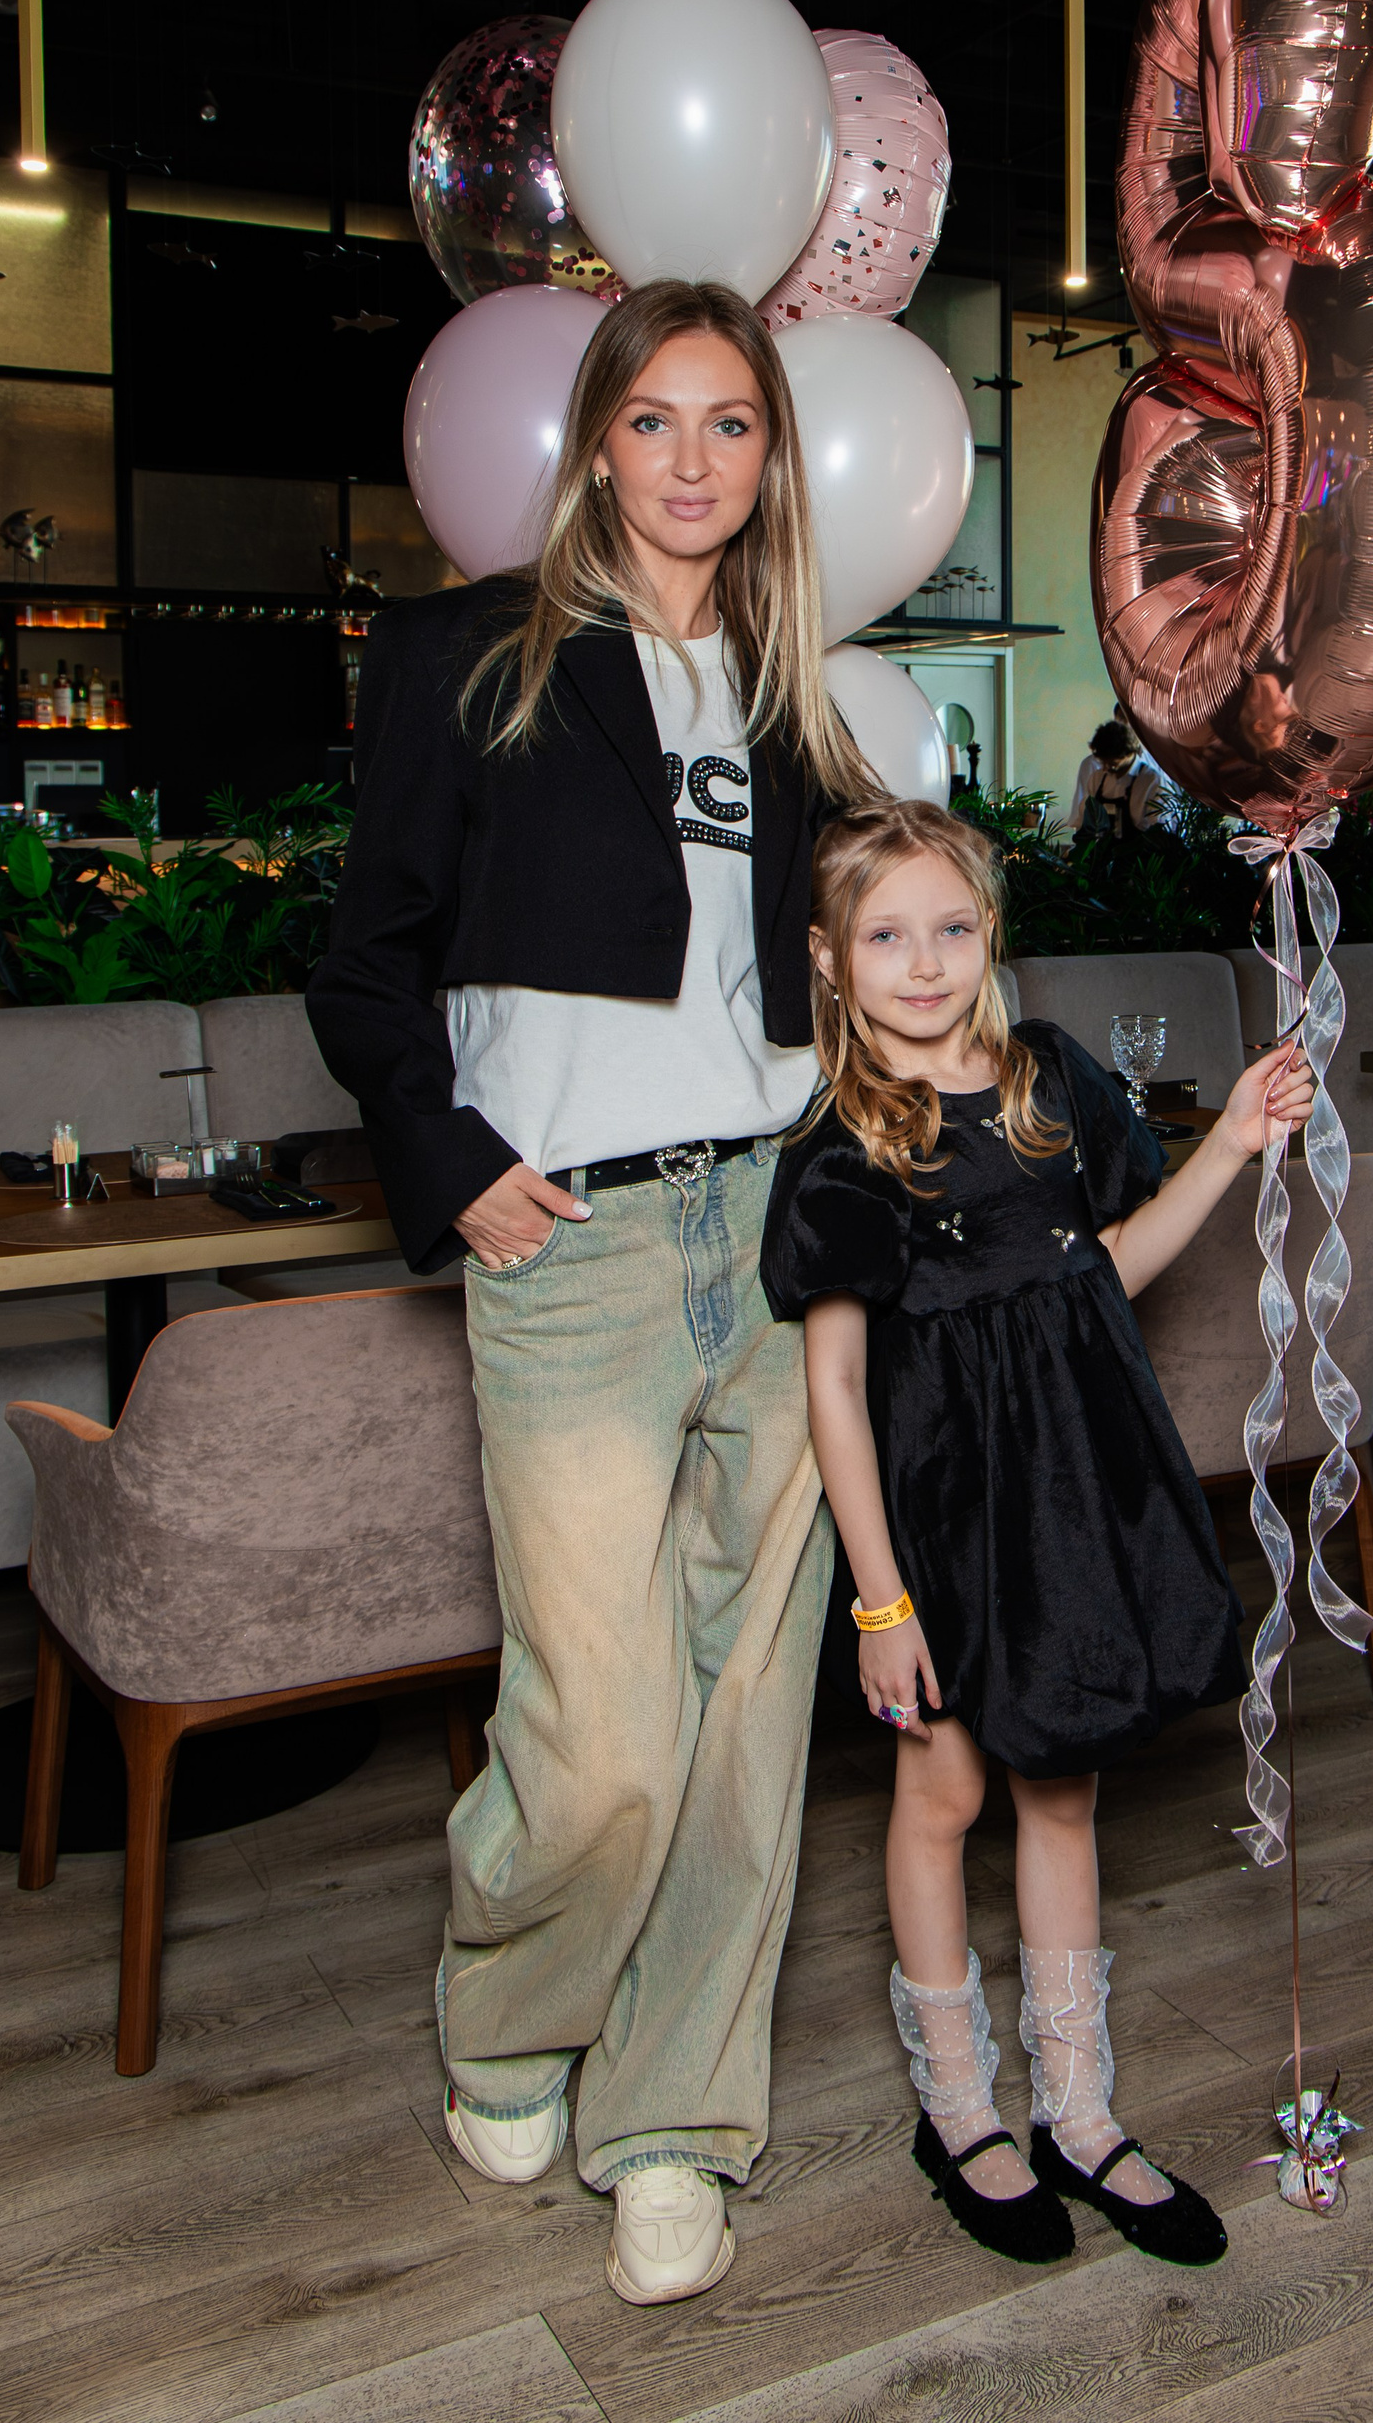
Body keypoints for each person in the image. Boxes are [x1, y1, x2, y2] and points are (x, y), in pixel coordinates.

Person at [307, 279, 870, 2310]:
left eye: (732, 424)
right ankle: (508, 2016)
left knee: (746, 1723)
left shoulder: (796, 690)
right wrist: (453, 1163)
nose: (692, 462)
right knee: (607, 1733)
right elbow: (364, 969)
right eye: (655, 421)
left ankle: (673, 2125)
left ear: (771, 456)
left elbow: (839, 975)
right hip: (572, 1249)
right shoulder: (473, 657)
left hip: (779, 1231)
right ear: (597, 444)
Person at [758, 800, 1314, 2267]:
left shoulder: (1051, 1079)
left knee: (1062, 1793)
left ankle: (1079, 2110)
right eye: (887, 935)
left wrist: (1233, 1142)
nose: (925, 962)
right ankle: (961, 2113)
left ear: (989, 933)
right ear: (830, 959)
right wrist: (880, 1603)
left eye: (952, 927)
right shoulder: (840, 1144)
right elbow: (833, 1388)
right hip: (940, 1517)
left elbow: (1105, 1270)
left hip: (1071, 1491)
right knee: (942, 1793)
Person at [1067, 717, 1166, 844]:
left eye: (1112, 764)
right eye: (1103, 762)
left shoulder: (1151, 780)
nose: (1105, 768)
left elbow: (1159, 829)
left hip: (1138, 852)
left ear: (1129, 754)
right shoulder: (1097, 778)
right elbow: (1084, 820)